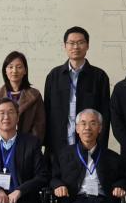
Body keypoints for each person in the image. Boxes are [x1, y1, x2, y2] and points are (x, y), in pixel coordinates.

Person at [44, 27, 111, 156]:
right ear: (65, 46)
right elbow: (47, 111)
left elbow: (105, 115)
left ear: (87, 46)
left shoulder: (99, 76)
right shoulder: (54, 76)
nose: (76, 47)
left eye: (80, 42)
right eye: (71, 43)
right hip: (58, 146)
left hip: (89, 145)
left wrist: (101, 145)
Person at [0, 51, 46, 143]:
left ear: (25, 70)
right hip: (2, 145)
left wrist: (31, 145)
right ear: (5, 71)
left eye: (19, 67)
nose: (14, 71)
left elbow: (39, 125)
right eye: (10, 67)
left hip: (28, 145)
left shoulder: (35, 95)